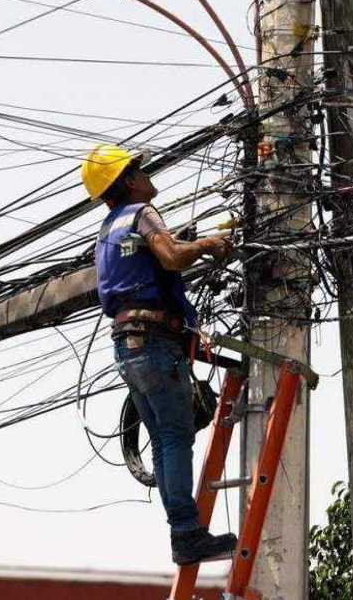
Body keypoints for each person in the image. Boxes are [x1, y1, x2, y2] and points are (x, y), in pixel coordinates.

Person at [81, 144, 237, 566]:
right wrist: (208, 244)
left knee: (165, 440)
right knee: (175, 437)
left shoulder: (107, 231)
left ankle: (182, 532)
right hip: (154, 341)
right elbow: (169, 257)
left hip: (126, 347)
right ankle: (186, 533)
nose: (147, 175)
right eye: (139, 169)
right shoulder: (142, 214)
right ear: (128, 181)